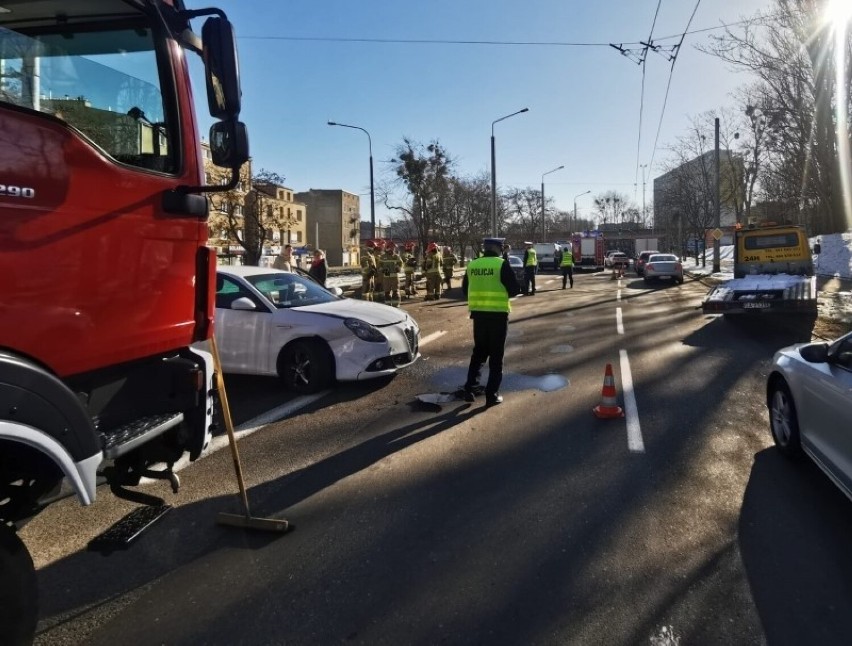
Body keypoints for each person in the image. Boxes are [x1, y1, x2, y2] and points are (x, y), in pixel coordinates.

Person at [462, 237, 521, 407]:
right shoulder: (501, 264)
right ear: (497, 248)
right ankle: (491, 394)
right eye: (502, 247)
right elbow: (514, 290)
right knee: (496, 356)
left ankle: (470, 388)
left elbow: (465, 290)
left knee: (479, 353)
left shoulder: (473, 264)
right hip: (497, 316)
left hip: (478, 316)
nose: (503, 250)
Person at [381, 241, 404, 306]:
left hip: (394, 278)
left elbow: (401, 263)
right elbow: (379, 266)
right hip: (386, 278)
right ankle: (388, 305)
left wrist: (398, 268)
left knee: (395, 292)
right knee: (387, 292)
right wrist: (383, 270)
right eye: (392, 248)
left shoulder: (396, 256)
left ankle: (395, 304)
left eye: (394, 248)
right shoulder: (382, 257)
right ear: (388, 248)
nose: (393, 250)